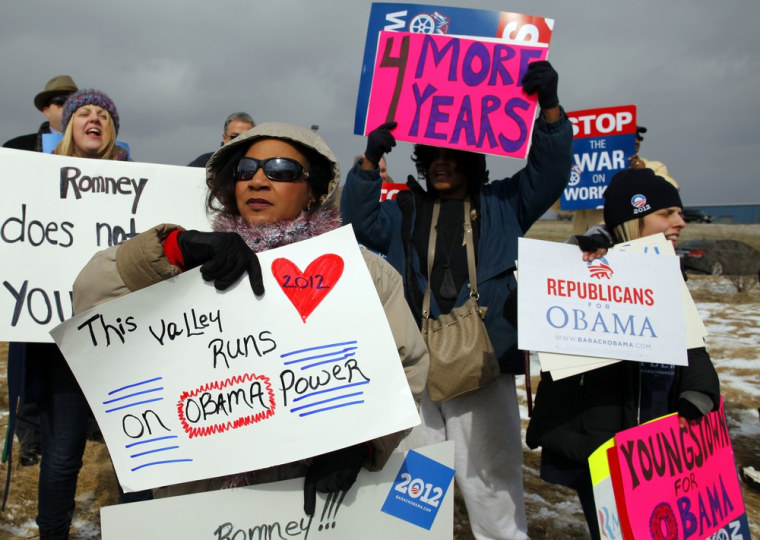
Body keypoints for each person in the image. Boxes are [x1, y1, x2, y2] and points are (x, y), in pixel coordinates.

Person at [71, 122, 429, 514]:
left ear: (313, 191)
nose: (258, 180)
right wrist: (174, 250)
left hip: (306, 500)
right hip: (199, 498)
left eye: (280, 170)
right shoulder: (192, 262)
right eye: (246, 170)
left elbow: (406, 365)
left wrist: (364, 443)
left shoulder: (362, 273)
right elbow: (90, 296)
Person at [340, 60, 573, 539]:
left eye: (452, 155)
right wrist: (368, 162)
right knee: (417, 480)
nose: (441, 163)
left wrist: (549, 109)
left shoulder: (506, 203)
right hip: (417, 366)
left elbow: (550, 172)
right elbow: (357, 219)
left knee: (490, 478)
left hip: (483, 366)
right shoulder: (403, 210)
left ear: (473, 162)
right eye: (432, 157)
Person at [526, 168, 721, 540]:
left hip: (656, 441)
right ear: (635, 218)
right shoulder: (580, 262)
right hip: (597, 442)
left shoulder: (665, 269)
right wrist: (568, 263)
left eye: (679, 213)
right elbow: (527, 311)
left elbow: (690, 343)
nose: (680, 221)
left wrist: (700, 391)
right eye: (667, 213)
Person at [33, 88, 130, 540]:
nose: (94, 119)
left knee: (136, 448)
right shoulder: (37, 180)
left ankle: (140, 528)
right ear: (67, 124)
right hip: (66, 343)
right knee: (63, 451)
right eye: (83, 113)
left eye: (103, 115)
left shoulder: (137, 183)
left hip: (127, 338)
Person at [2, 75, 79, 471]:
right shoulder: (16, 150)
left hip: (76, 274)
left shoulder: (102, 155)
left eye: (74, 101)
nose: (67, 108)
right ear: (46, 109)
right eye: (60, 101)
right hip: (35, 276)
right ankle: (30, 436)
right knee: (29, 361)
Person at [570, 125, 679, 235]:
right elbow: (560, 206)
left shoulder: (654, 167)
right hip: (588, 241)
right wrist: (565, 178)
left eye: (639, 137)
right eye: (631, 136)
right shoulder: (585, 169)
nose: (637, 141)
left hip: (631, 239)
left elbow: (671, 192)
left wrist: (643, 172)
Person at [3, 75, 78, 151]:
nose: (69, 106)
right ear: (46, 111)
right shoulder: (16, 148)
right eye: (61, 101)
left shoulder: (89, 148)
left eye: (74, 102)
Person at [187, 111, 255, 167]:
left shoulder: (259, 165)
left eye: (246, 137)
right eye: (234, 137)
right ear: (224, 138)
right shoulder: (206, 162)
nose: (240, 141)